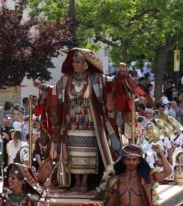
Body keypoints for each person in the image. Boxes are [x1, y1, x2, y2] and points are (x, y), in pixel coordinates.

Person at [35, 48, 120, 191]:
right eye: (73, 61)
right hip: (71, 123)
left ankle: (85, 182)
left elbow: (110, 82)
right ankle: (76, 181)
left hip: (89, 122)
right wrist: (42, 87)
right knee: (72, 154)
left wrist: (121, 77)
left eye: (78, 62)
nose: (74, 64)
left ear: (85, 64)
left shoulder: (95, 78)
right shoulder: (67, 79)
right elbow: (53, 90)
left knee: (88, 153)